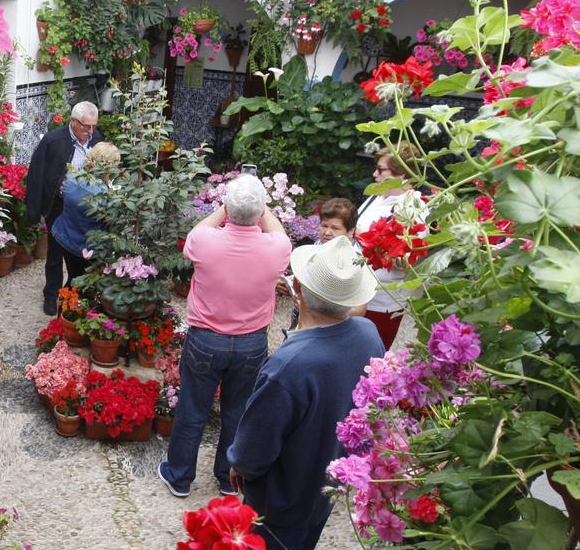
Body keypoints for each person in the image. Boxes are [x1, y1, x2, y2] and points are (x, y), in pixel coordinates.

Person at [226, 235, 384, 550]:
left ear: (296, 286)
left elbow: (252, 455)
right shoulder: (368, 333)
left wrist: (238, 465)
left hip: (283, 498)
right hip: (325, 484)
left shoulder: (289, 365)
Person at [158, 174, 291, 498]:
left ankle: (179, 477)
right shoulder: (276, 248)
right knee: (238, 412)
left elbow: (197, 232)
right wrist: (261, 209)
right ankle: (225, 478)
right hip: (251, 343)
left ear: (228, 209)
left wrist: (224, 207)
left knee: (192, 409)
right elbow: (280, 233)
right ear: (261, 212)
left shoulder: (206, 242)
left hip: (206, 338)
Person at [24, 101, 103, 316]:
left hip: (87, 207)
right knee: (56, 252)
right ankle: (51, 294)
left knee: (82, 251)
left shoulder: (96, 139)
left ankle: (76, 291)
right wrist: (34, 209)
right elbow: (36, 174)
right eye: (86, 126)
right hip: (59, 204)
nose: (90, 131)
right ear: (73, 122)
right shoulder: (53, 140)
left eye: (94, 126)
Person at [355, 145, 424, 350]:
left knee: (369, 356)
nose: (374, 174)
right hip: (356, 292)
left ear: (401, 173)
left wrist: (367, 240)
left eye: (381, 169)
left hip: (381, 301)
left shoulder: (414, 208)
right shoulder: (377, 197)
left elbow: (406, 263)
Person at [277, 197, 365, 331]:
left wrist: (311, 307)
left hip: (331, 328)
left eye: (335, 228)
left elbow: (359, 310)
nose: (327, 233)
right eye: (324, 226)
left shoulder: (357, 260)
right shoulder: (320, 244)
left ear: (351, 231)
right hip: (303, 318)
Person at [50, 142, 121, 284]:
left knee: (72, 277)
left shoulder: (72, 177)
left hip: (64, 237)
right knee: (84, 285)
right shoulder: (103, 194)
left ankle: (65, 304)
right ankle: (73, 305)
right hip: (85, 248)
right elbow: (112, 221)